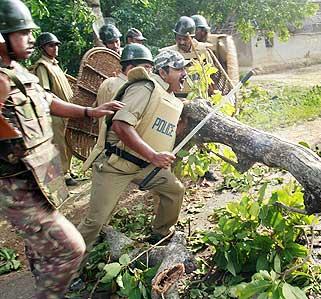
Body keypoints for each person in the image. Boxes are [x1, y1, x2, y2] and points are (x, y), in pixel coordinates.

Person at [0, 1, 124, 298]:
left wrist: (88, 112)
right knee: (71, 248)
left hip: (38, 177)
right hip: (13, 185)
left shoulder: (18, 71)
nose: (31, 39)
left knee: (40, 244)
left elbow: (48, 101)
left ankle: (48, 282)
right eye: (22, 33)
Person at [78, 50, 189, 251]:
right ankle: (68, 269)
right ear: (163, 72)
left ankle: (159, 235)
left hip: (144, 165)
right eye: (179, 69)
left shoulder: (170, 98)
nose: (184, 73)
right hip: (116, 164)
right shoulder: (145, 88)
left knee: (175, 191)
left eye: (185, 68)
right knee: (95, 222)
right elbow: (121, 126)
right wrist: (153, 156)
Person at [31, 32, 77, 186]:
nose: (55, 48)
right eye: (51, 45)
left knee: (68, 143)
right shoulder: (42, 66)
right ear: (43, 48)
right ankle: (62, 175)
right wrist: (63, 107)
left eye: (56, 45)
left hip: (67, 112)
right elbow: (46, 92)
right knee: (59, 144)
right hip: (55, 113)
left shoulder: (55, 64)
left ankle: (68, 170)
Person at [94, 43, 153, 130]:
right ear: (131, 68)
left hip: (100, 140)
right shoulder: (134, 89)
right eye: (146, 67)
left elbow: (95, 113)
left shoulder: (106, 82)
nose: (150, 72)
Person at [159, 16, 215, 97]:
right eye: (179, 39)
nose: (181, 42)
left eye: (185, 39)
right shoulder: (167, 53)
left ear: (192, 37)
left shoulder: (203, 51)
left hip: (198, 96)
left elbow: (211, 73)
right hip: (174, 96)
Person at [191, 14, 239, 84]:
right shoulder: (186, 46)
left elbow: (224, 66)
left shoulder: (215, 45)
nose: (193, 33)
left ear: (204, 31)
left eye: (196, 30)